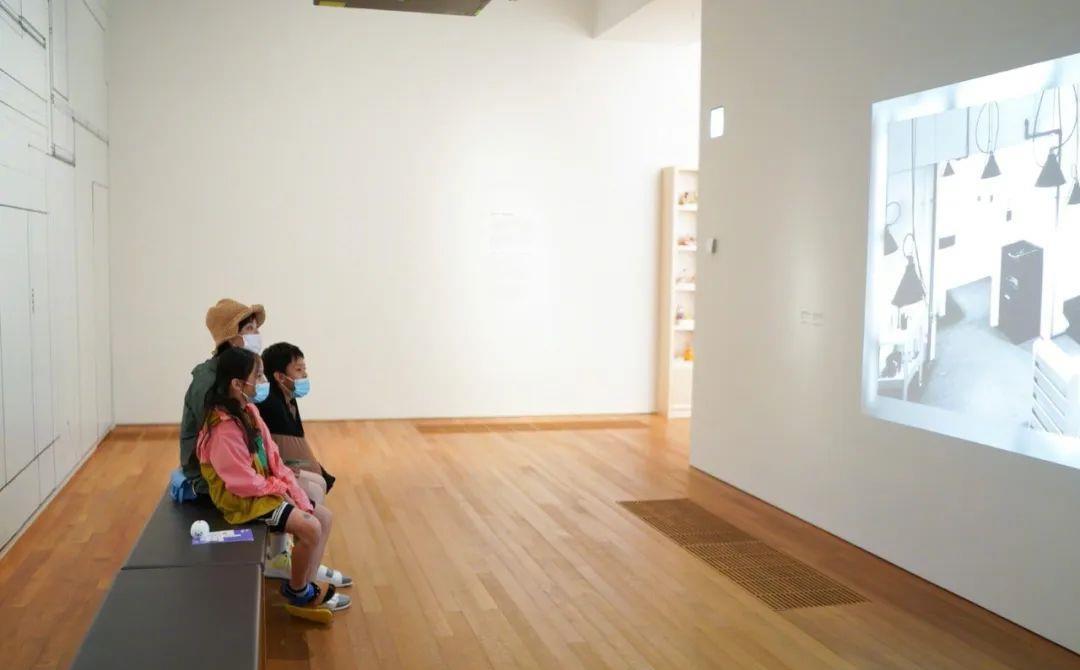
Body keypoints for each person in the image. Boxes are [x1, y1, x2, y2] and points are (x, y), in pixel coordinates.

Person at [196, 347, 350, 612]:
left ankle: (306, 581)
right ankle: (299, 592)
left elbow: (274, 458)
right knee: (310, 527)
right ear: (237, 384)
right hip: (243, 502)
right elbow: (241, 483)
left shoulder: (249, 411)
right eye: (258, 376)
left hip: (261, 491)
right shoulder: (222, 429)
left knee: (323, 517)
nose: (263, 382)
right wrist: (280, 490)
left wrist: (293, 491)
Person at [179, 299, 266, 496]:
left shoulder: (243, 370)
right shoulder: (207, 380)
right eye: (249, 329)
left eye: (257, 329)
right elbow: (217, 441)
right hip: (210, 476)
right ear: (231, 339)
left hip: (242, 463)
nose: (257, 335)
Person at [257, 342, 336, 500]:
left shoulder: (288, 398)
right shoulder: (271, 404)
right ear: (280, 376)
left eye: (304, 369)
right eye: (299, 370)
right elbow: (289, 451)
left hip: (290, 465)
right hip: (278, 471)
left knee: (319, 482)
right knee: (316, 487)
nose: (305, 375)